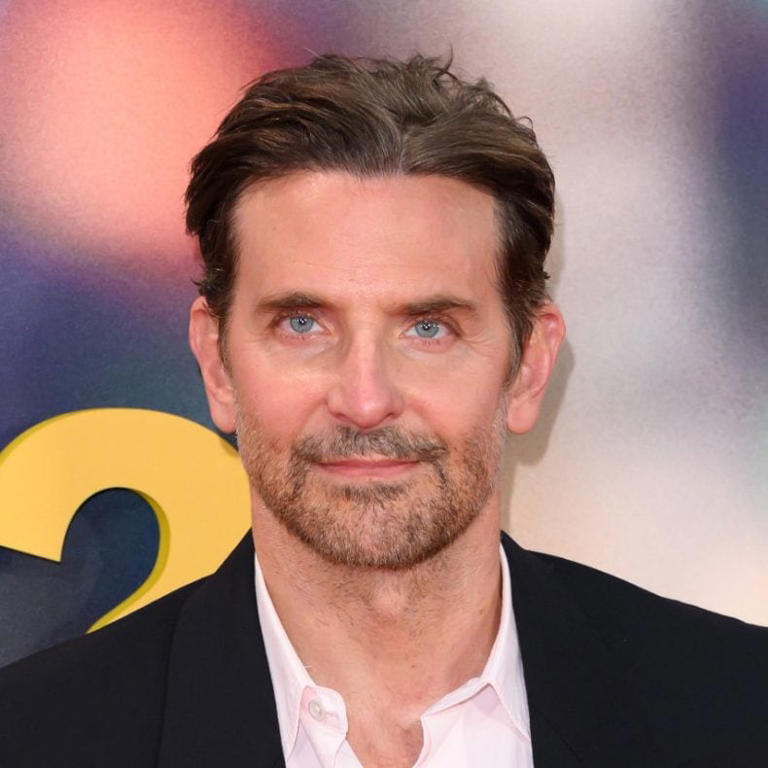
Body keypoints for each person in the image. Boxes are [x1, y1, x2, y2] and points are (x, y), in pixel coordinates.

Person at [1, 54, 767, 768]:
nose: (365, 399)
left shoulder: (738, 712)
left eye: (428, 329)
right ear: (216, 362)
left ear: (530, 366)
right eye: (303, 324)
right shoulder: (37, 738)